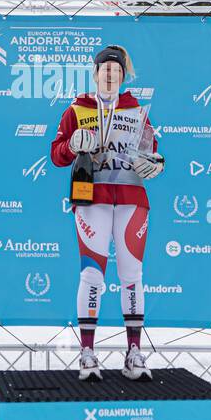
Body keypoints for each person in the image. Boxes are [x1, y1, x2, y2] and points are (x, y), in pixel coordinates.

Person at [50, 45, 165, 382]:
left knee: (132, 275)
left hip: (131, 199)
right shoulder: (77, 108)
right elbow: (57, 154)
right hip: (92, 198)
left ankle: (133, 351)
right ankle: (87, 352)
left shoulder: (136, 109)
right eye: (105, 70)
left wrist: (155, 163)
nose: (111, 75)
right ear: (96, 73)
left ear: (123, 77)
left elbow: (151, 153)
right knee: (91, 275)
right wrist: (72, 145)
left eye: (117, 70)